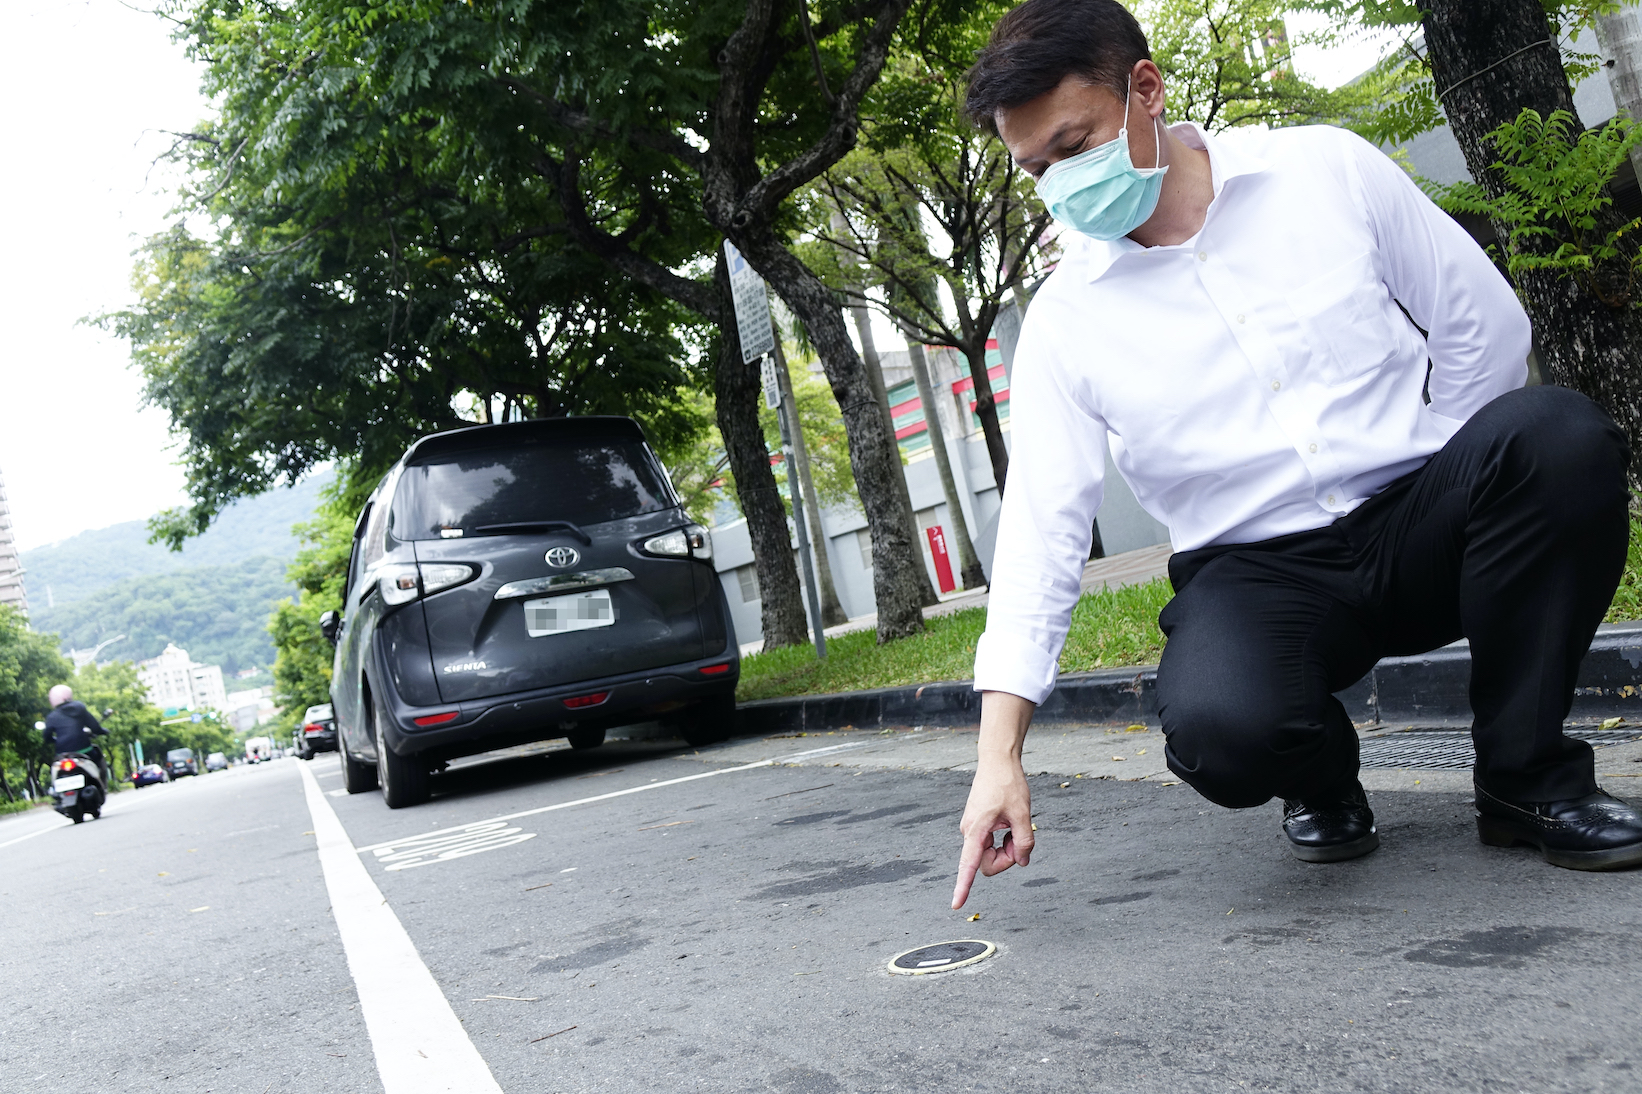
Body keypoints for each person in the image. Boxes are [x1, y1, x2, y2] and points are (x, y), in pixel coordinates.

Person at [951, 0, 1642, 909]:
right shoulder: (1067, 318)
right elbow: (1041, 532)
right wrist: (998, 754)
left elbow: (1482, 327)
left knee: (1557, 438)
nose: (1063, 186)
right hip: (1258, 573)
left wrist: (1452, 481)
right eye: (1037, 169)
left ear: (1146, 90)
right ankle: (1320, 776)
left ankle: (1526, 776)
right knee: (1219, 727)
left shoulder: (1322, 168)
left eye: (1076, 146)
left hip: (1415, 519)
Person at [43, 684, 110, 785]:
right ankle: (101, 783)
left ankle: (54, 789)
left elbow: (46, 737)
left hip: (62, 755)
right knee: (97, 756)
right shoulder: (79, 708)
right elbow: (95, 727)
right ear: (68, 696)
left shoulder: (51, 717)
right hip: (84, 750)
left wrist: (55, 740)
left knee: (54, 768)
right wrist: (103, 731)